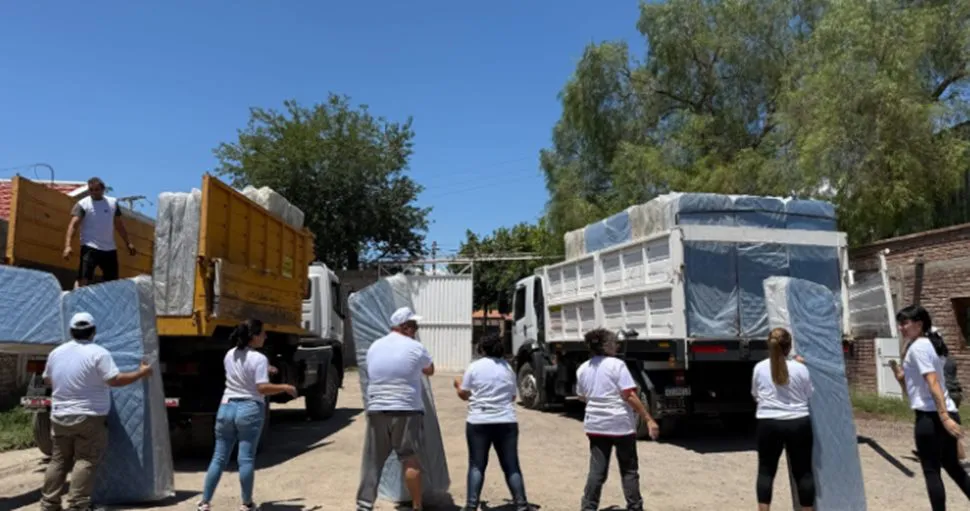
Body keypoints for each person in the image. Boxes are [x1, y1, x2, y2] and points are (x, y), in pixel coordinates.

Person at [40, 312, 153, 511]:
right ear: (93, 331)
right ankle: (77, 505)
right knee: (85, 459)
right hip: (88, 416)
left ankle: (49, 504)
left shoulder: (56, 353)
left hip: (59, 415)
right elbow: (114, 380)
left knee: (58, 460)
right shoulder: (98, 353)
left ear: (71, 331)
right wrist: (141, 373)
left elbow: (48, 380)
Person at [197, 319, 297, 511]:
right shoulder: (259, 358)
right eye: (263, 333)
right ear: (254, 337)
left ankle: (205, 502)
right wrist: (285, 387)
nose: (265, 336)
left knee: (219, 457)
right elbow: (261, 387)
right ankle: (246, 503)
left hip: (226, 407)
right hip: (249, 408)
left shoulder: (229, 354)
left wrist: (265, 369)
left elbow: (242, 368)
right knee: (246, 459)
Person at [889, 305, 970, 511]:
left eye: (905, 323)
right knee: (952, 466)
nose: (901, 328)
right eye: (900, 323)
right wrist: (901, 378)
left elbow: (932, 381)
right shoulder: (924, 345)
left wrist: (943, 417)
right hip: (942, 411)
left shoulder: (919, 347)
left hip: (931, 416)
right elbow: (915, 387)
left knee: (932, 470)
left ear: (919, 324)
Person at [356, 306, 435, 511]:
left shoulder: (374, 346)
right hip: (407, 410)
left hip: (377, 409)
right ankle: (417, 506)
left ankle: (364, 505)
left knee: (372, 461)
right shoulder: (415, 347)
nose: (416, 329)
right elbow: (430, 370)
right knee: (410, 459)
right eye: (414, 325)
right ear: (406, 327)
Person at [576, 328, 659, 511]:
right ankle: (634, 507)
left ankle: (588, 507)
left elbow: (582, 396)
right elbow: (628, 395)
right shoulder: (617, 365)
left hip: (596, 425)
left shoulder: (583, 368)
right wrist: (648, 418)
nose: (617, 345)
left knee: (597, 471)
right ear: (606, 346)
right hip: (621, 425)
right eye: (614, 342)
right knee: (629, 470)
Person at [453, 334, 529, 511]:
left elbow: (465, 394)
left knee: (476, 465)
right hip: (506, 420)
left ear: (482, 349)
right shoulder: (508, 368)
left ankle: (471, 506)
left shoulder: (474, 367)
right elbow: (511, 397)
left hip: (479, 421)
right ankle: (522, 504)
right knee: (511, 465)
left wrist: (457, 386)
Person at [751, 328, 815, 511]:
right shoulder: (800, 368)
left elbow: (755, 395)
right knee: (803, 472)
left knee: (766, 471)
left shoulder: (759, 368)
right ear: (789, 346)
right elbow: (809, 394)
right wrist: (800, 365)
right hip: (798, 422)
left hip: (768, 422)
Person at [63, 177, 136, 287]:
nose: (93, 192)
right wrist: (68, 246)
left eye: (96, 190)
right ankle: (76, 300)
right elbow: (73, 225)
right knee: (83, 278)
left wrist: (128, 242)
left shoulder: (112, 203)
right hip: (89, 247)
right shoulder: (83, 204)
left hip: (109, 248)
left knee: (112, 282)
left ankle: (109, 303)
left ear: (103, 189)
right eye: (91, 190)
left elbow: (119, 225)